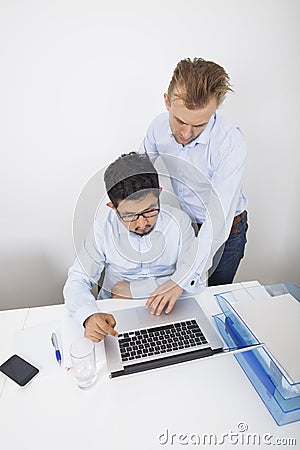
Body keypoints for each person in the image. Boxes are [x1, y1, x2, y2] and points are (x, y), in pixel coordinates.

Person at [139, 57, 248, 312]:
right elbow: (140, 175)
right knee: (183, 306)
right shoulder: (156, 128)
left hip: (227, 232)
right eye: (179, 121)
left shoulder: (230, 143)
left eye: (199, 124)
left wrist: (182, 278)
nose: (186, 134)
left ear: (214, 111)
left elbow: (217, 219)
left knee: (213, 304)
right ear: (167, 101)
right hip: (186, 227)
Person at [63, 152, 200, 342]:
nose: (142, 223)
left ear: (159, 193)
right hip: (116, 314)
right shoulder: (102, 229)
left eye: (150, 210)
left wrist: (133, 290)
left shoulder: (180, 222)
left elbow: (195, 278)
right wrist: (88, 316)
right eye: (129, 215)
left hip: (171, 308)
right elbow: (77, 280)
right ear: (113, 207)